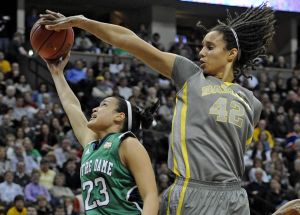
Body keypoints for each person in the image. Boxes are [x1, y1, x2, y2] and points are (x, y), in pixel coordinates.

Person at [40, 3, 275, 214]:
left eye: (210, 47)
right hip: (194, 190)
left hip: (235, 195)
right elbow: (129, 40)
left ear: (231, 54)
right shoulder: (190, 76)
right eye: (202, 46)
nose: (201, 52)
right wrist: (82, 22)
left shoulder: (253, 104)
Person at [40, 15, 159, 215]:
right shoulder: (91, 144)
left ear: (119, 116)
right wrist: (57, 74)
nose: (95, 109)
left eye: (104, 105)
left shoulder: (127, 143)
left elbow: (151, 197)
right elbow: (72, 106)